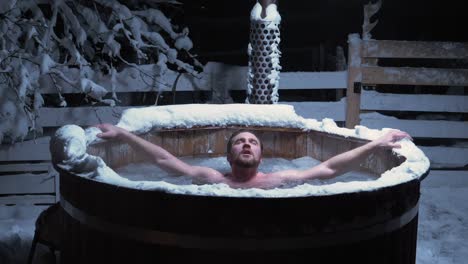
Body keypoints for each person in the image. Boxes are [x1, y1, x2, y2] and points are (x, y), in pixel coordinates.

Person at [95, 124, 411, 189]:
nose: (247, 144)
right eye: (240, 142)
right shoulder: (210, 178)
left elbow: (330, 167)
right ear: (228, 155)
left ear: (261, 156)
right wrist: (123, 135)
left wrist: (376, 144)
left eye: (253, 142)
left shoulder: (279, 179)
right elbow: (164, 160)